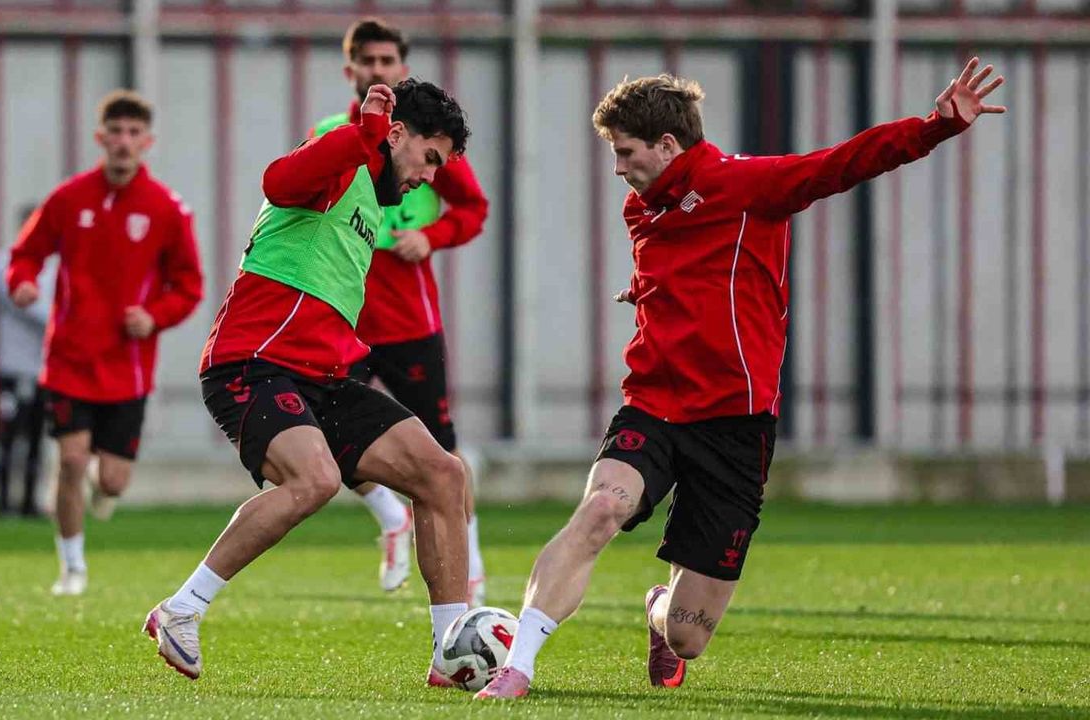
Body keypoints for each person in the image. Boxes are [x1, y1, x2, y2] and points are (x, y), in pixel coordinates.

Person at [477, 57, 1006, 699]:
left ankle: (657, 610)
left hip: (735, 424)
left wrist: (935, 127)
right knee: (601, 509)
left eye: (625, 152)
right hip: (654, 406)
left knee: (687, 636)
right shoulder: (643, 208)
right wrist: (645, 292)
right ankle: (518, 665)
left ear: (667, 145)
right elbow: (682, 272)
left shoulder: (749, 185)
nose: (618, 168)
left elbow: (842, 163)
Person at [142, 80, 472, 685]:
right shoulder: (340, 164)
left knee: (444, 474)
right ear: (397, 134)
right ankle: (181, 609)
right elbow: (277, 181)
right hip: (252, 361)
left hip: (322, 377)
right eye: (430, 158)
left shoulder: (373, 203)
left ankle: (452, 653)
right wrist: (361, 135)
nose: (430, 176)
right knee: (313, 479)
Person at [313, 17, 490, 603]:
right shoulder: (332, 134)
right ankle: (393, 518)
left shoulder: (426, 139)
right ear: (350, 70)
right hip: (344, 317)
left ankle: (471, 565)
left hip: (409, 320)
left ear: (401, 68)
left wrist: (430, 237)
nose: (377, 69)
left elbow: (473, 209)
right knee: (326, 436)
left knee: (442, 450)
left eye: (387, 61)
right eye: (368, 61)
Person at [6, 90, 204, 597]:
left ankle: (100, 485)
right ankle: (72, 568)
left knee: (112, 481)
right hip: (69, 360)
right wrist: (22, 282)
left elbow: (189, 286)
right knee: (72, 461)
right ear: (101, 138)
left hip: (127, 369)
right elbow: (25, 254)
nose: (123, 142)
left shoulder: (166, 209)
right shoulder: (68, 198)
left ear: (147, 142)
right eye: (115, 132)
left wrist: (154, 316)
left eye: (133, 133)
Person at [0, 205, 58, 518]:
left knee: (37, 438)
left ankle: (29, 502)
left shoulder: (54, 268)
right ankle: (4, 502)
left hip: (44, 368)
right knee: (9, 437)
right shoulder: (3, 262)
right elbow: (25, 304)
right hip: (13, 368)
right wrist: (63, 323)